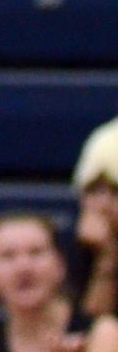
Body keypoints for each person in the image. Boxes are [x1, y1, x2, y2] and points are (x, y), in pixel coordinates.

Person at [0, 211, 118, 352]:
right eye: (8, 256)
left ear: (60, 266)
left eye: (36, 252)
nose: (24, 267)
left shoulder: (102, 335)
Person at [71, 117, 118, 317]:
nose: (104, 205)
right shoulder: (86, 252)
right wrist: (107, 257)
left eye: (115, 191)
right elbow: (96, 332)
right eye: (94, 191)